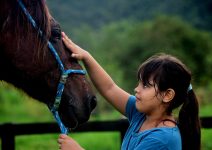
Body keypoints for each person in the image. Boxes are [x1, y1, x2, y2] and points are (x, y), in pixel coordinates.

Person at [57, 32, 201, 150]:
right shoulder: (141, 115)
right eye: (139, 83)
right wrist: (86, 57)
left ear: (167, 95)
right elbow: (109, 88)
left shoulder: (161, 139)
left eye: (146, 85)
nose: (136, 89)